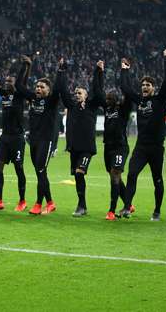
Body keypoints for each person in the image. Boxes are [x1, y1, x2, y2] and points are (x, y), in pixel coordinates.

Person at [120, 47, 166, 221]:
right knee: (131, 174)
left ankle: (157, 211)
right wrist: (125, 70)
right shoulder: (140, 101)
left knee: (157, 179)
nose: (144, 87)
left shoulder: (160, 99)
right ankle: (127, 207)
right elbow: (126, 89)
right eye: (142, 85)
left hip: (157, 148)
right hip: (141, 147)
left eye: (147, 85)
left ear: (153, 88)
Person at [16, 56, 64, 215]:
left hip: (46, 140)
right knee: (39, 172)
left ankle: (39, 203)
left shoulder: (51, 101)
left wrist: (60, 71)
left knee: (41, 170)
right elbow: (19, 85)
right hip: (34, 141)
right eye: (37, 86)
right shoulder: (33, 99)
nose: (38, 89)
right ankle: (50, 202)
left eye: (42, 87)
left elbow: (58, 89)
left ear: (48, 90)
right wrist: (25, 66)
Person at [59, 60, 105, 217]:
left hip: (87, 148)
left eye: (80, 93)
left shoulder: (92, 105)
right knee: (78, 177)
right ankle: (82, 205)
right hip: (74, 148)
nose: (76, 94)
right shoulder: (71, 106)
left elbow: (98, 90)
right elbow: (63, 91)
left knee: (79, 173)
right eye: (76, 93)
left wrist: (98, 72)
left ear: (86, 95)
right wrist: (62, 71)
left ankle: (81, 206)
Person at [0, 60, 27, 212]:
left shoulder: (20, 95)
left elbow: (23, 80)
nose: (7, 83)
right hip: (5, 138)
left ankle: (22, 200)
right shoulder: (4, 94)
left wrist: (26, 66)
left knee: (18, 168)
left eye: (10, 81)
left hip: (17, 138)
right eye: (6, 81)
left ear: (16, 83)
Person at [100, 59, 134, 220]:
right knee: (114, 175)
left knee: (115, 174)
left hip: (120, 147)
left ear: (116, 99)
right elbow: (97, 91)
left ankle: (112, 210)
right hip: (108, 147)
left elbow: (127, 91)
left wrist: (124, 71)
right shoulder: (107, 109)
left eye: (110, 98)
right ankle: (128, 204)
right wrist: (98, 71)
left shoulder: (123, 109)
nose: (107, 101)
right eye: (106, 99)